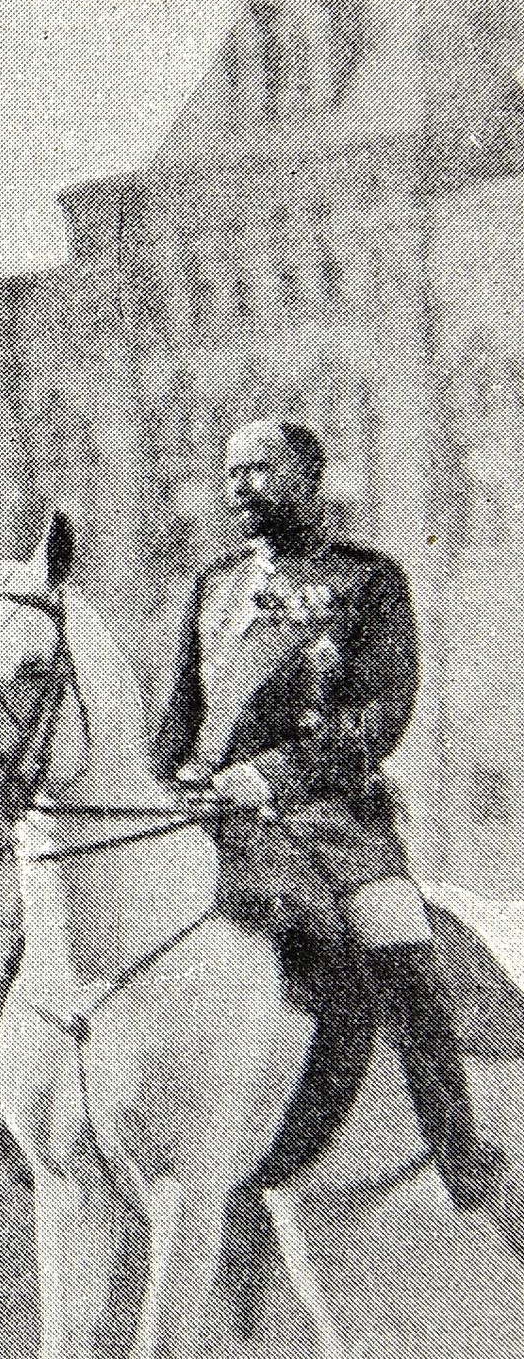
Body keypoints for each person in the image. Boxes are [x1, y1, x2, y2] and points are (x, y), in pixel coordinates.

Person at [153, 418, 507, 1214]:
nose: (239, 485)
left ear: (309, 478)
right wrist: (171, 784)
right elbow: (178, 714)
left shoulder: (367, 582)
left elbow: (379, 712)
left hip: (331, 819)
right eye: (231, 470)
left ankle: (461, 1152)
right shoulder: (214, 586)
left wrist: (271, 775)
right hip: (213, 818)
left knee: (400, 945)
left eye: (260, 469)